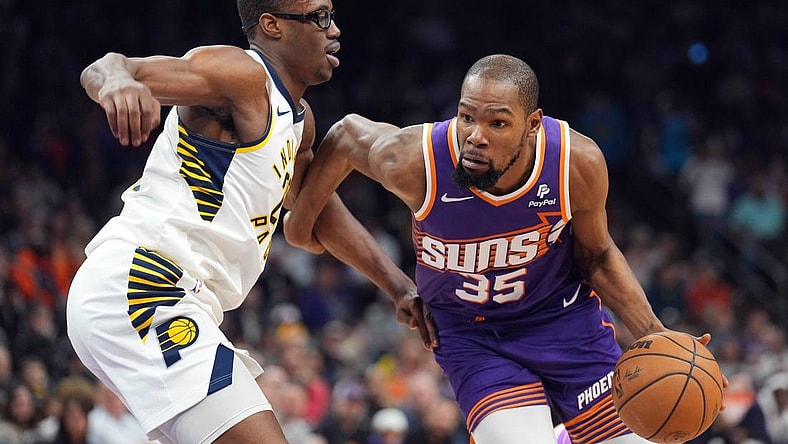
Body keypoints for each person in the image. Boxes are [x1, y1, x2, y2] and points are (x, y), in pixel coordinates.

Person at [285, 54, 726, 443]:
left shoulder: (576, 163)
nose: (475, 136)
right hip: (471, 336)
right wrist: (312, 231)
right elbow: (344, 135)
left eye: (497, 122)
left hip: (565, 323)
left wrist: (655, 334)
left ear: (532, 125)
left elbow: (597, 256)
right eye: (466, 117)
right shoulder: (416, 161)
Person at [66, 1, 433, 443]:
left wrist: (398, 286)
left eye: (332, 15)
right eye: (319, 17)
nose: (333, 29)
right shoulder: (241, 74)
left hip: (177, 298)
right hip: (143, 285)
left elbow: (314, 216)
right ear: (272, 25)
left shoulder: (300, 122)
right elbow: (106, 68)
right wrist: (119, 83)